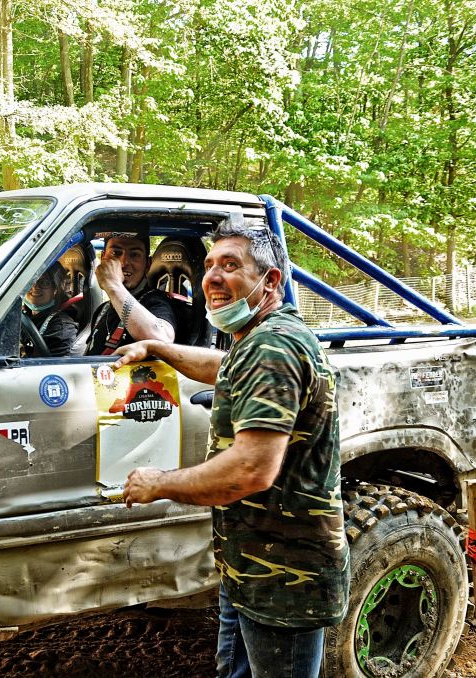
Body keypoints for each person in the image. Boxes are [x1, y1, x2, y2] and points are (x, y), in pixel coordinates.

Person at [112, 219, 349, 678]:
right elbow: (226, 366)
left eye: (230, 265)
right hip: (249, 566)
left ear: (270, 281)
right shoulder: (258, 340)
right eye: (208, 266)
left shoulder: (273, 346)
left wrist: (159, 483)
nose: (212, 278)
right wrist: (159, 349)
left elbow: (250, 469)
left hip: (283, 577)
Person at [85, 227, 177, 355]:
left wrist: (114, 285)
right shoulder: (102, 309)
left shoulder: (155, 302)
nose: (124, 263)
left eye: (134, 255)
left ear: (148, 264)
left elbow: (163, 340)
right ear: (103, 258)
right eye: (115, 253)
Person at [22, 262, 78, 358]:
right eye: (30, 281)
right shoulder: (23, 315)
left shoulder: (61, 328)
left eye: (44, 282)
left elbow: (52, 365)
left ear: (56, 288)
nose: (35, 287)